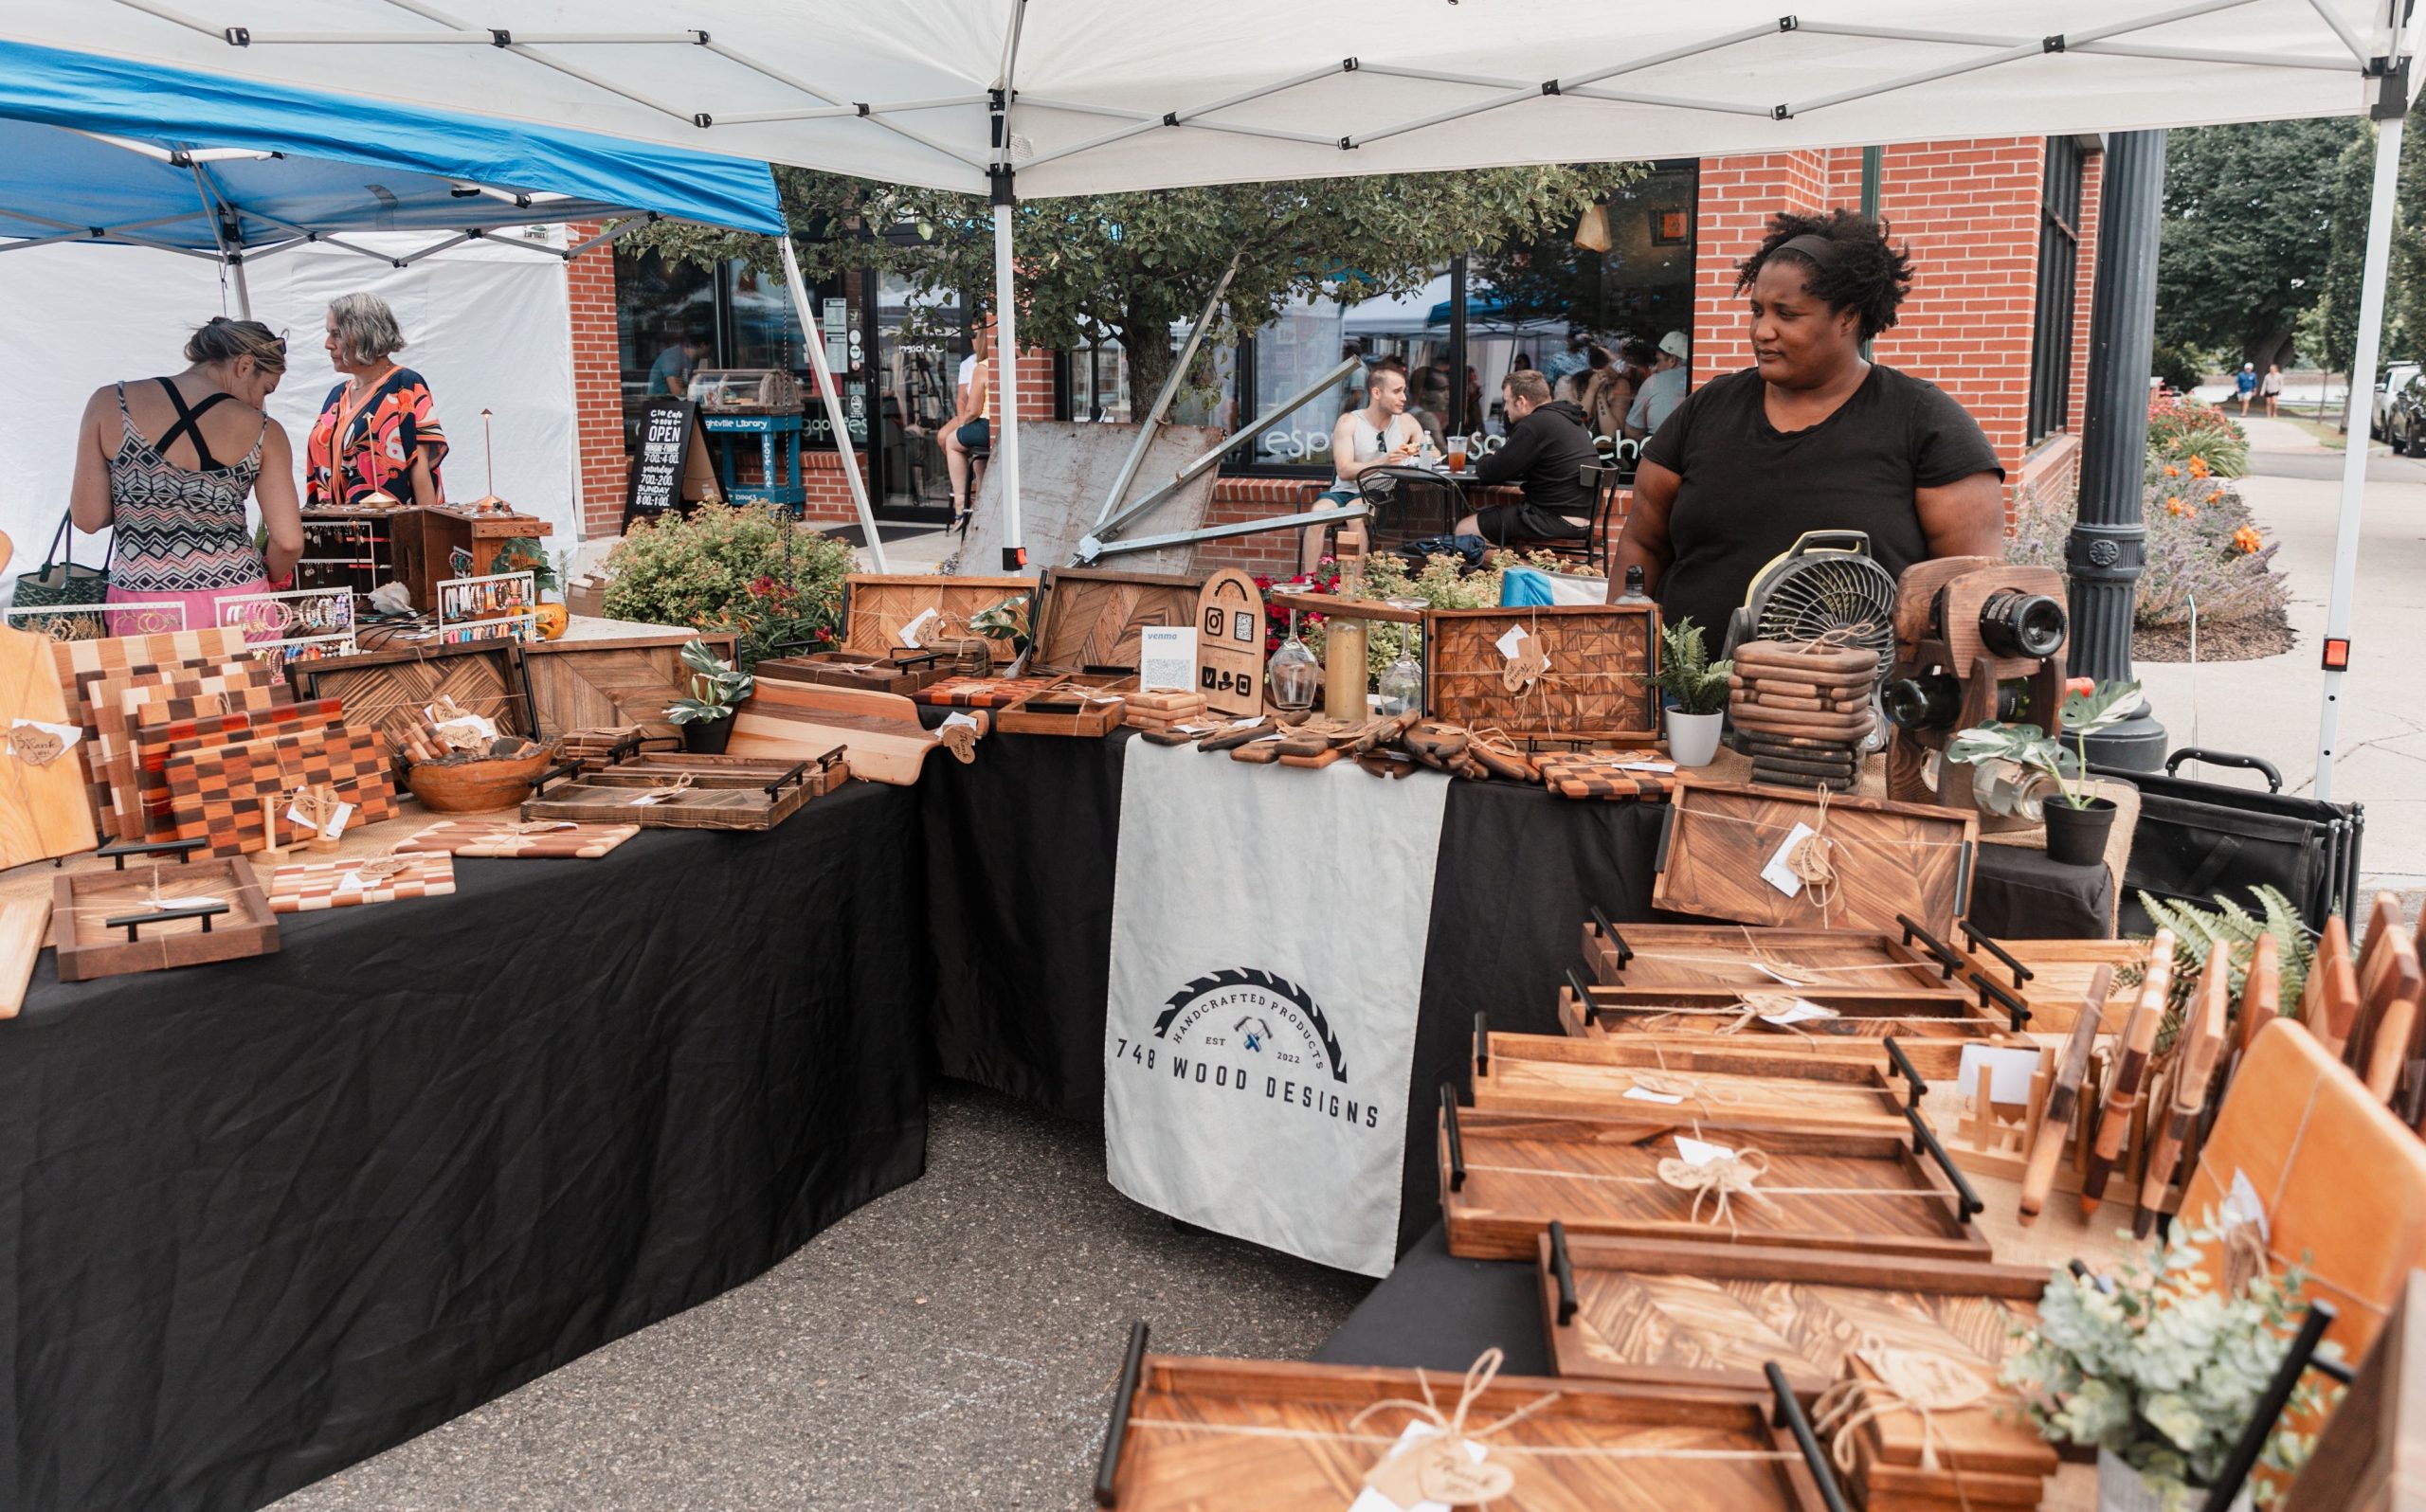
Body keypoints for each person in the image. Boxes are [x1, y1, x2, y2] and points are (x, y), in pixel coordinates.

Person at [1611, 209, 2004, 640]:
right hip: (1687, 700)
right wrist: (1618, 660)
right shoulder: (1707, 409)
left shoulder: (1925, 423)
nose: (1763, 331)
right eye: (1757, 311)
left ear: (1847, 318)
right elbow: (1642, 544)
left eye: (1787, 314)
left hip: (1853, 703)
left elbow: (1968, 589)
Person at [68, 316, 304, 632]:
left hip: (147, 606)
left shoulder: (110, 403)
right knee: (251, 682)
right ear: (244, 366)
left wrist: (144, 498)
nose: (261, 404)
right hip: (239, 604)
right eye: (265, 390)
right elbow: (288, 542)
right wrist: (272, 577)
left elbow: (88, 518)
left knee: (149, 684)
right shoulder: (266, 430)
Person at [305, 292, 447, 507]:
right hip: (333, 531)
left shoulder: (405, 386)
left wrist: (427, 532)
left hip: (386, 533)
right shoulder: (336, 396)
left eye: (336, 334)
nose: (328, 344)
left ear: (364, 334)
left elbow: (420, 470)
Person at [1306, 358, 1427, 570]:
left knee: (1354, 514)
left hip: (1378, 494)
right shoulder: (1349, 421)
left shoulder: (1406, 422)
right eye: (1397, 392)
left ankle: (1353, 584)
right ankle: (1308, 581)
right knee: (1317, 514)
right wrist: (1384, 460)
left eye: (1404, 391)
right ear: (1377, 393)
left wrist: (1417, 452)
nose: (1404, 398)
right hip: (1344, 490)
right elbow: (1343, 470)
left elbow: (1431, 451)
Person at [1457, 368, 1598, 545]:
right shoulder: (1568, 419)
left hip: (1552, 518)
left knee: (1464, 530)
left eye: (1507, 402)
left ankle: (1521, 570)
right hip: (1583, 519)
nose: (1505, 409)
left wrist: (1487, 457)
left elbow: (1492, 472)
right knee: (1498, 526)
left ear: (1521, 401)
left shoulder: (1536, 424)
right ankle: (1519, 565)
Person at [941, 315, 994, 529]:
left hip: (985, 426)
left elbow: (972, 410)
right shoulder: (1004, 363)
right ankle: (983, 510)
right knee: (980, 461)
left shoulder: (981, 367)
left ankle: (961, 508)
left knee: (951, 442)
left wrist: (965, 424)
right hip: (1002, 428)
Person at [1624, 331, 1693, 440]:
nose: (1654, 368)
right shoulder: (1698, 380)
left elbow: (1632, 432)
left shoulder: (1653, 381)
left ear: (1672, 360)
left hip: (1660, 451)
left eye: (1658, 361)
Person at [648, 333, 707, 398]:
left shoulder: (694, 360)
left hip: (676, 403)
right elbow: (677, 393)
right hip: (659, 403)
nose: (711, 352)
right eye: (710, 348)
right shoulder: (673, 356)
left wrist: (688, 385)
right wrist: (696, 389)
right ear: (702, 345)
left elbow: (688, 383)